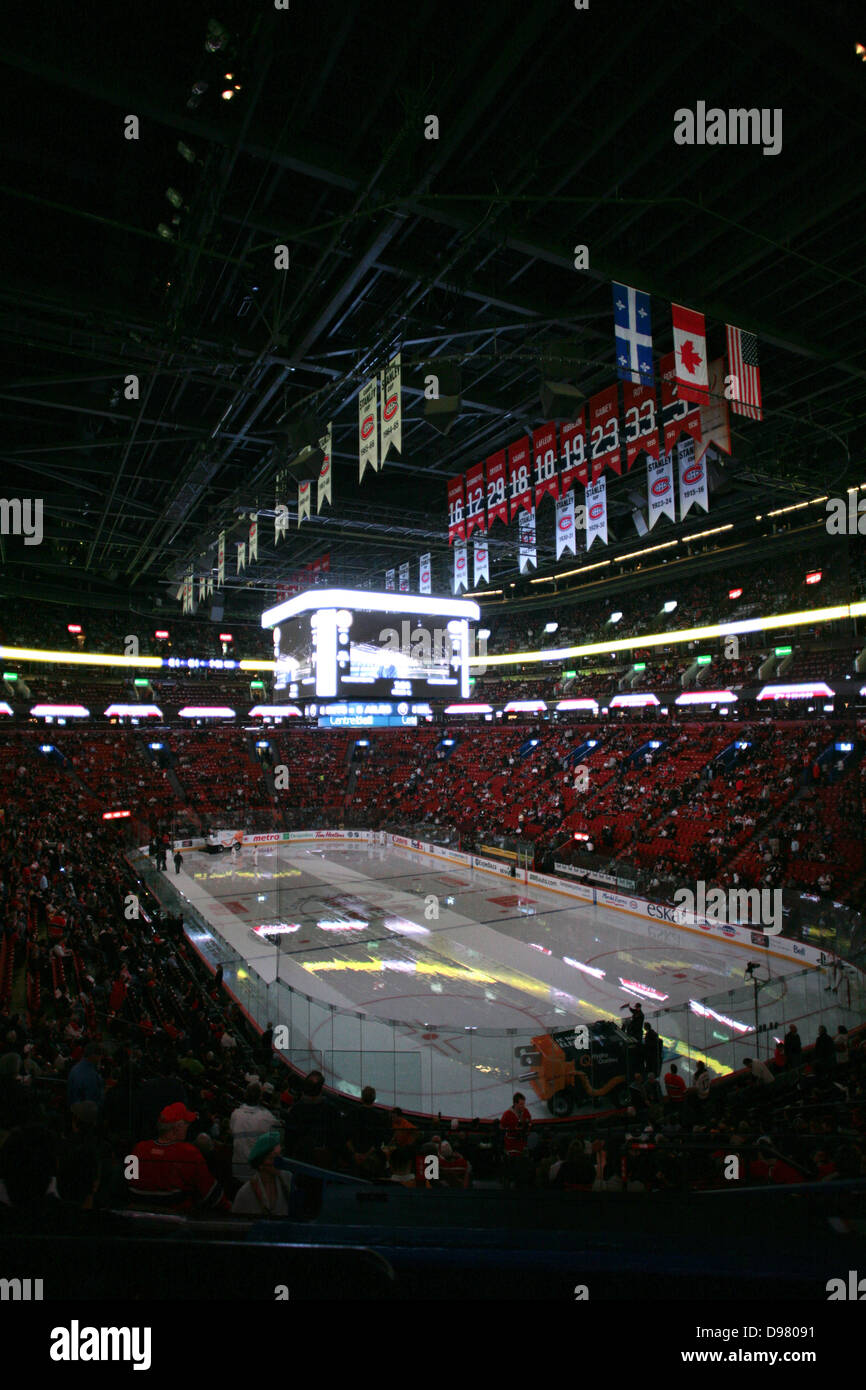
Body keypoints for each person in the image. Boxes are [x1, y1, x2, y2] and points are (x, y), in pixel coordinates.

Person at [127, 1103, 229, 1212]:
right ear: (177, 1128)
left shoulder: (139, 1148)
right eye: (186, 1123)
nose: (188, 1126)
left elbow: (129, 1183)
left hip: (138, 1219)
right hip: (175, 1221)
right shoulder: (188, 1152)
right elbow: (211, 1194)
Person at [231, 1132, 292, 1217]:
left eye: (280, 1156)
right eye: (273, 1158)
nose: (280, 1162)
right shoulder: (246, 1193)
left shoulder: (288, 1179)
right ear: (260, 1164)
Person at [230, 1083, 278, 1184]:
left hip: (237, 1170)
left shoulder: (235, 1114)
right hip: (256, 1173)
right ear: (260, 1097)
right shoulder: (267, 1117)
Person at [66, 1042, 103, 1111]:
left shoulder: (75, 1068)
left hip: (74, 1109)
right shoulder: (90, 1075)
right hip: (84, 1113)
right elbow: (92, 1101)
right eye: (100, 1055)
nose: (101, 1058)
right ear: (93, 1055)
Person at [500, 1093, 531, 1157]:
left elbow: (529, 1122)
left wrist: (527, 1128)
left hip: (523, 1143)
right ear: (515, 1104)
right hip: (511, 1145)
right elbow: (501, 1128)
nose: (523, 1106)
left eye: (524, 1104)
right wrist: (513, 1129)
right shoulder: (507, 1114)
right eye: (521, 1104)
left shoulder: (526, 1111)